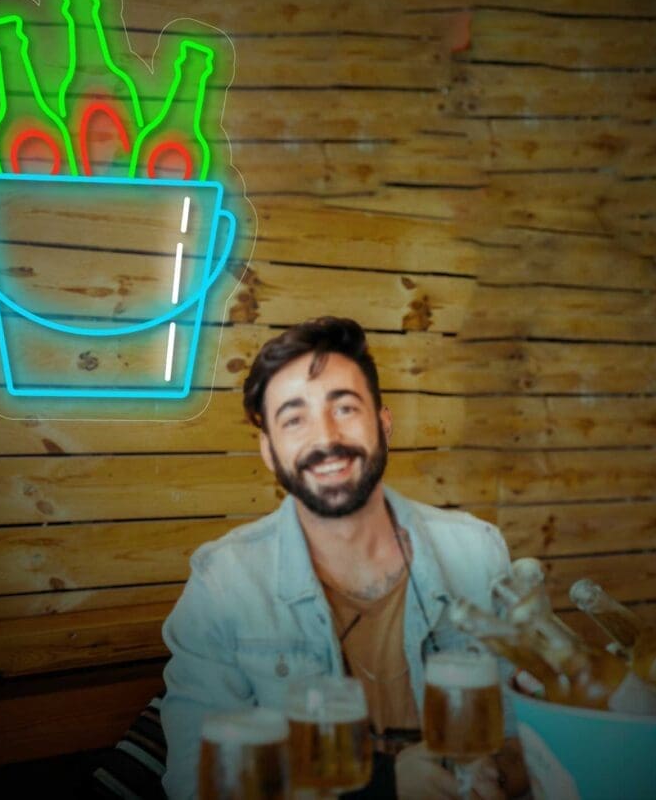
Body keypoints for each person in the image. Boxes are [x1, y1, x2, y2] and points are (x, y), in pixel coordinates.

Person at [161, 317, 529, 799]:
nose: (326, 437)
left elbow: (535, 738)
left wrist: (495, 774)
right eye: (295, 419)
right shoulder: (222, 583)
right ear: (269, 452)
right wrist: (385, 787)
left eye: (345, 408)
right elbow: (198, 783)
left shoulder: (477, 553)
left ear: (383, 423)